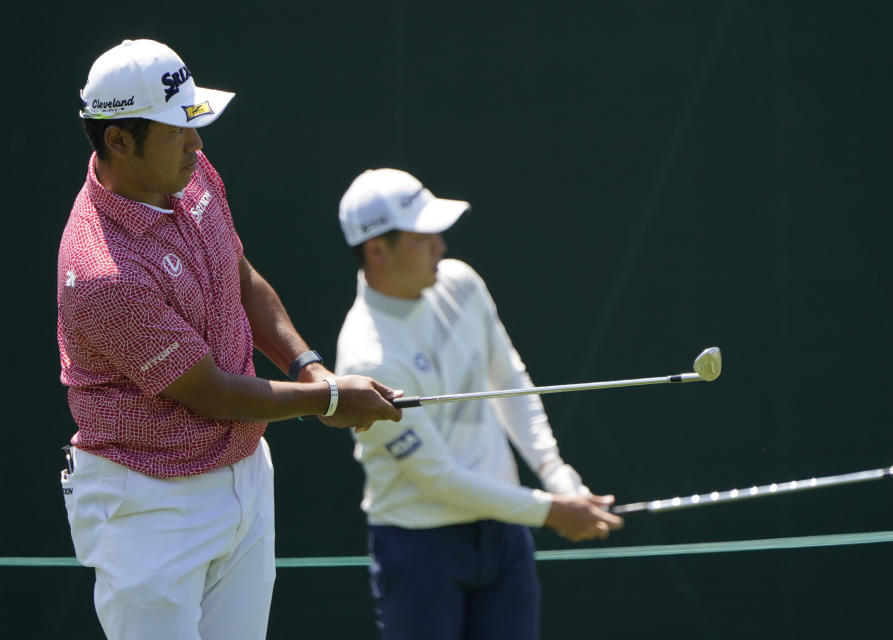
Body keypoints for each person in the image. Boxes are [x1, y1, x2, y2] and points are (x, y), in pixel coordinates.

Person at [57, 39, 402, 640]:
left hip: (244, 476)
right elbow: (209, 392)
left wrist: (309, 366)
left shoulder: (191, 174)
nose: (197, 144)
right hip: (149, 505)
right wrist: (326, 401)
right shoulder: (100, 272)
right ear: (118, 139)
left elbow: (238, 273)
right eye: (177, 130)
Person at [334, 168, 624, 639]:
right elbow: (438, 478)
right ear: (377, 251)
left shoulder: (461, 282)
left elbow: (509, 382)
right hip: (419, 548)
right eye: (423, 237)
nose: (441, 246)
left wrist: (555, 473)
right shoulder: (368, 358)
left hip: (506, 531)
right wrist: (552, 510)